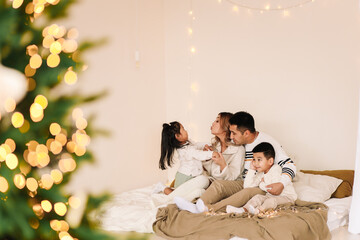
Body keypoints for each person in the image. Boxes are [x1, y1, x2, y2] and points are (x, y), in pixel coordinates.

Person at [174, 111, 296, 213]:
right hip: (246, 180)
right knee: (219, 185)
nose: (231, 136)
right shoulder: (241, 144)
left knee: (246, 192)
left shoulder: (268, 142)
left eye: (234, 133)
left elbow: (289, 164)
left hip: (263, 184)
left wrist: (281, 184)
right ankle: (199, 205)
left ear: (246, 133)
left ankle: (210, 209)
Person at [152, 112, 245, 205]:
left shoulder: (238, 149)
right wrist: (207, 158)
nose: (212, 123)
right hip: (211, 183)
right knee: (200, 190)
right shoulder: (215, 146)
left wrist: (222, 165)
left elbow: (233, 177)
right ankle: (172, 200)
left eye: (217, 121)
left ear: (225, 126)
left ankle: (167, 199)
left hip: (225, 186)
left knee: (202, 184)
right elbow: (205, 166)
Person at [226, 142, 297, 214]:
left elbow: (273, 190)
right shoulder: (261, 173)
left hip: (287, 197)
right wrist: (252, 169)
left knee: (271, 201)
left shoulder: (276, 169)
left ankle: (259, 211)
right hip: (271, 196)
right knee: (258, 197)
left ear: (270, 161)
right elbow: (247, 186)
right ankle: (244, 209)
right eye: (254, 159)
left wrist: (261, 184)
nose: (256, 163)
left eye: (259, 160)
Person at [156, 121, 217, 195]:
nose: (186, 131)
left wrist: (208, 144)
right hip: (185, 177)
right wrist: (211, 154)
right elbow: (198, 154)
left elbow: (197, 145)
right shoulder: (185, 150)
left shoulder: (188, 143)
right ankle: (162, 187)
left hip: (190, 176)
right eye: (183, 129)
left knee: (187, 193)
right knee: (177, 194)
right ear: (178, 136)